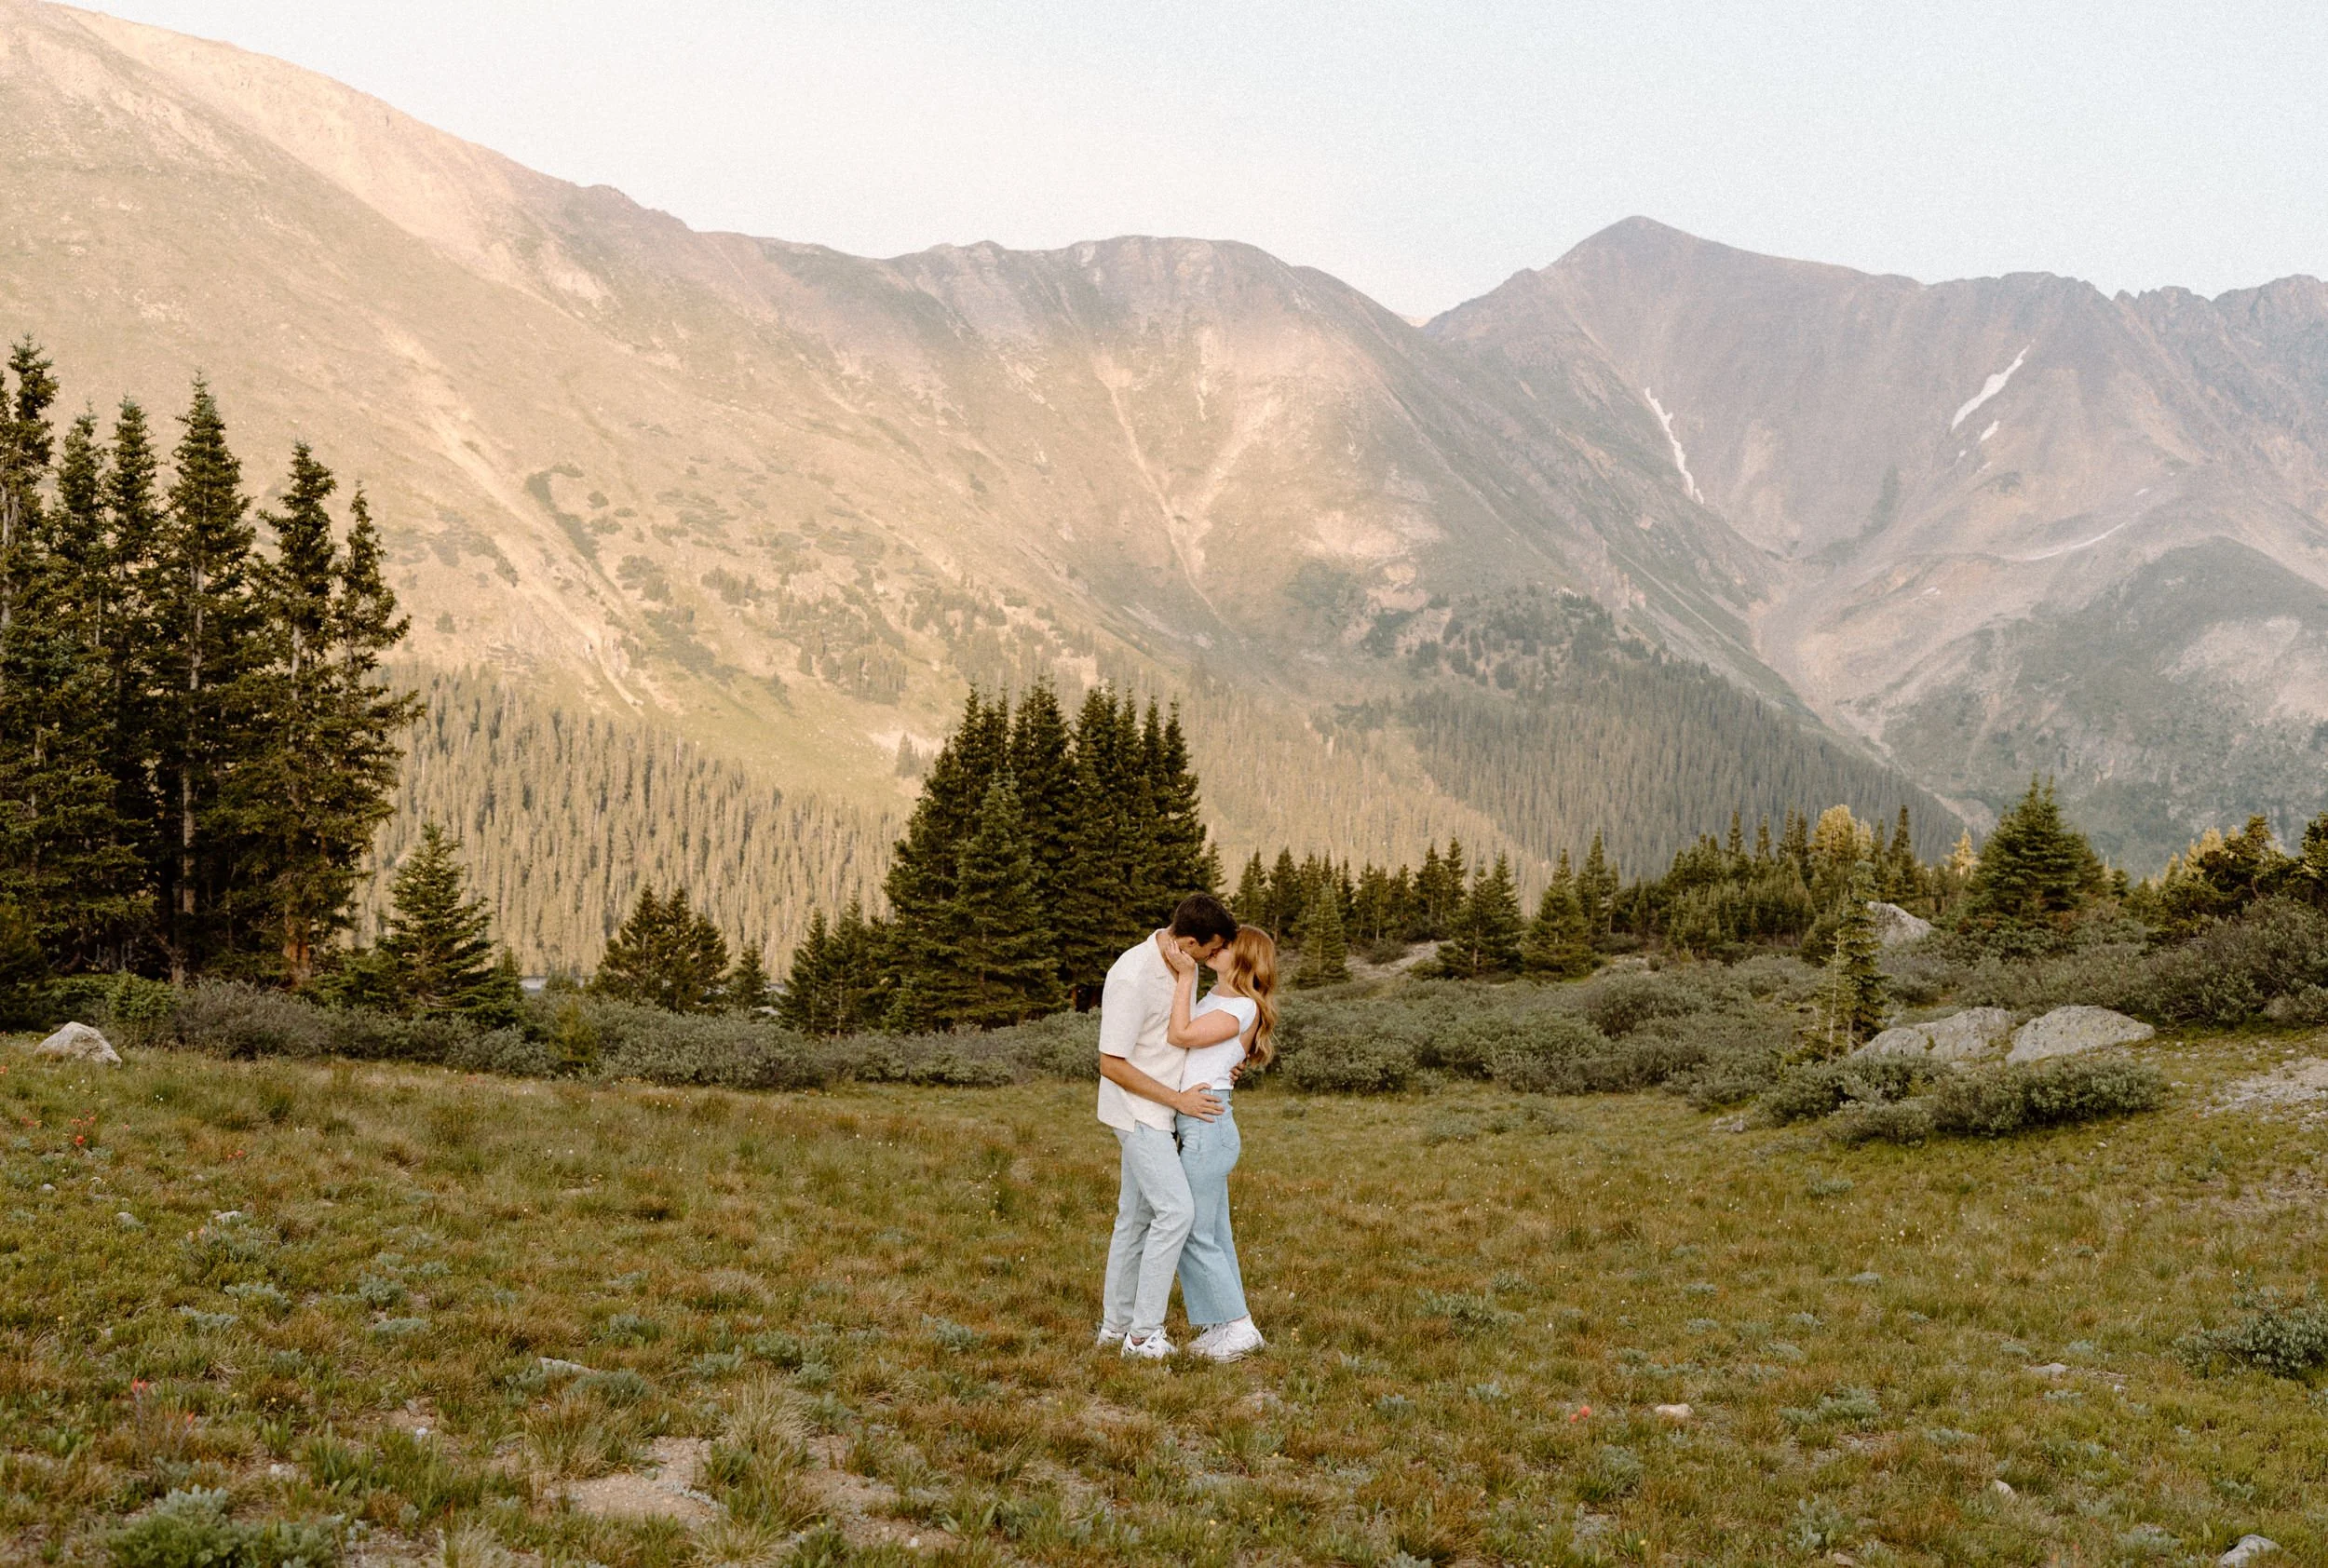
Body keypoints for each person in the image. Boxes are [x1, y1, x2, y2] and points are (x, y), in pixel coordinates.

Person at [1094, 893, 1239, 1359]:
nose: (1216, 959)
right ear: (1192, 942)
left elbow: (1180, 1036)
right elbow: (1111, 1063)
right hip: (1138, 1113)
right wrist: (1177, 1099)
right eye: (1212, 950)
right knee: (1176, 1213)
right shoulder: (1132, 976)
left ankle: (1115, 1330)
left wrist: (1221, 1068)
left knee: (1135, 1220)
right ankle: (1143, 1336)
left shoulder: (1184, 967)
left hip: (1164, 1111)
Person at [1161, 925, 1276, 1362]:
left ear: (1243, 959)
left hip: (1209, 1128)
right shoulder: (1221, 1000)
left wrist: (1185, 977)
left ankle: (1239, 1328)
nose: (1216, 949)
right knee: (1212, 1232)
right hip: (1199, 1124)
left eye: (1226, 947)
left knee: (1191, 1228)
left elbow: (1182, 1037)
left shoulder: (1241, 1007)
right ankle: (1222, 1324)